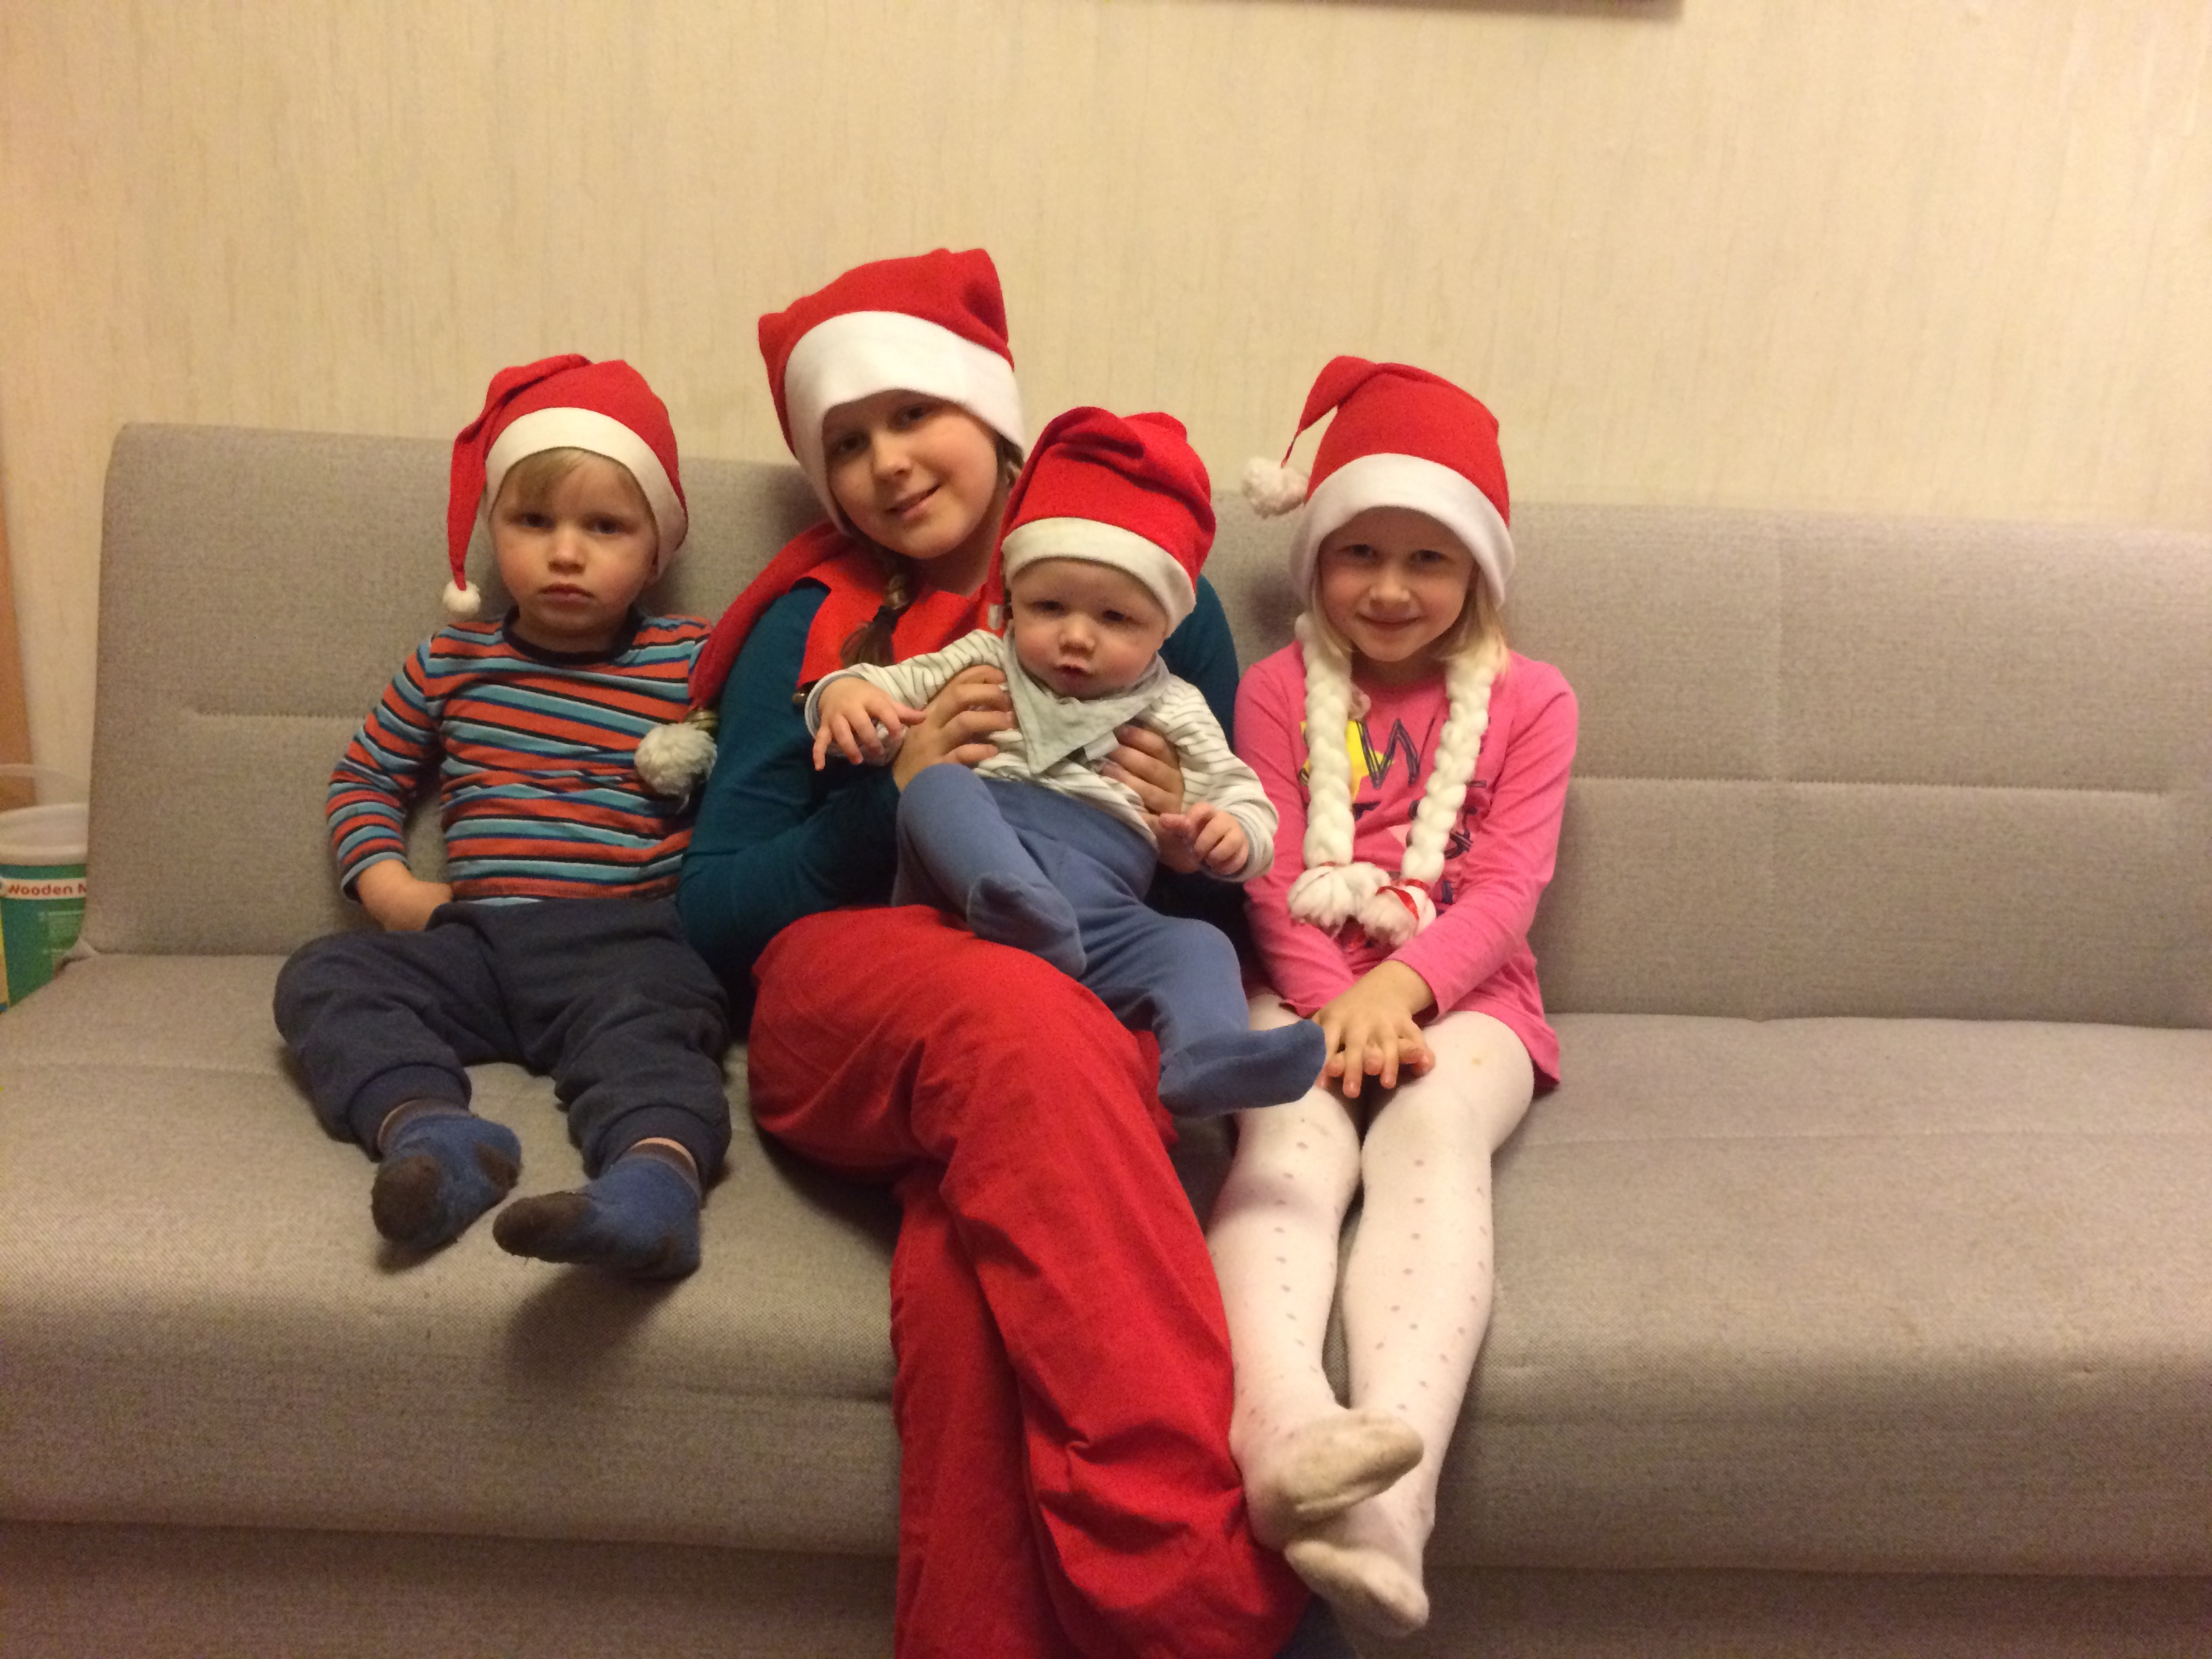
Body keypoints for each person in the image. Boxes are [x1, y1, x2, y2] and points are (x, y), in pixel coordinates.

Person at [670, 251, 1317, 1657]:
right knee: (1014, 1016)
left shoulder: (1156, 595)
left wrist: (1180, 834)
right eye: (847, 442)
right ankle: (1215, 1618)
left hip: (1070, 1010)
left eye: (912, 415)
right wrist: (895, 791)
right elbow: (712, 911)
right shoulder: (815, 623)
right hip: (858, 989)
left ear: (992, 413)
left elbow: (1217, 906)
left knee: (981, 1293)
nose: (886, 465)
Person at [1207, 358, 1578, 1637]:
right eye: (1357, 551)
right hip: (1301, 986)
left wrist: (1403, 995)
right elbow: (1265, 874)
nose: (1387, 586)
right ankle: (1282, 1438)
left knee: (1427, 1138)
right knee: (1285, 1144)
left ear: (1478, 572)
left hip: (1470, 998)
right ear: (1314, 558)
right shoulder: (1271, 689)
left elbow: (1509, 886)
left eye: (1428, 558)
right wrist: (1333, 1010)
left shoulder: (1533, 699)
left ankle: (1387, 1504)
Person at [273, 356, 730, 1281]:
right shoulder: (453, 661)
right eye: (534, 521)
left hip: (628, 946)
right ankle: (437, 1138)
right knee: (323, 975)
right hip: (477, 944)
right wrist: (390, 888)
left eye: (605, 527)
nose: (566, 552)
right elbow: (366, 776)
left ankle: (654, 1189)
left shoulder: (696, 661)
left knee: (658, 1040)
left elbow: (771, 763)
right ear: (493, 530)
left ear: (657, 549)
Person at [806, 404, 1326, 1118]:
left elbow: (1246, 800)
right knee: (936, 787)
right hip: (961, 895)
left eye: (1115, 618)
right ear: (1011, 602)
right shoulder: (985, 656)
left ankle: (1207, 1056)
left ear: (1165, 629)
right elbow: (883, 684)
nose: (1076, 637)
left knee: (1200, 945)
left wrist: (1227, 837)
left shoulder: (1177, 707)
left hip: (1099, 920)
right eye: (1050, 607)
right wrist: (841, 695)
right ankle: (1015, 902)